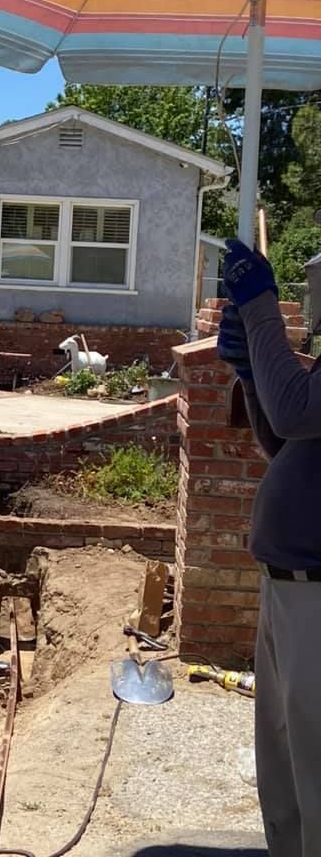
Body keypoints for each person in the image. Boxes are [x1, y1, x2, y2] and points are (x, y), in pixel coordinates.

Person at [218, 238, 321, 857]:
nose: (310, 299)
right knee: (284, 771)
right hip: (287, 588)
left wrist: (259, 310)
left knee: (316, 768)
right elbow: (283, 444)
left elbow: (292, 413)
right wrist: (252, 374)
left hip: (317, 599)